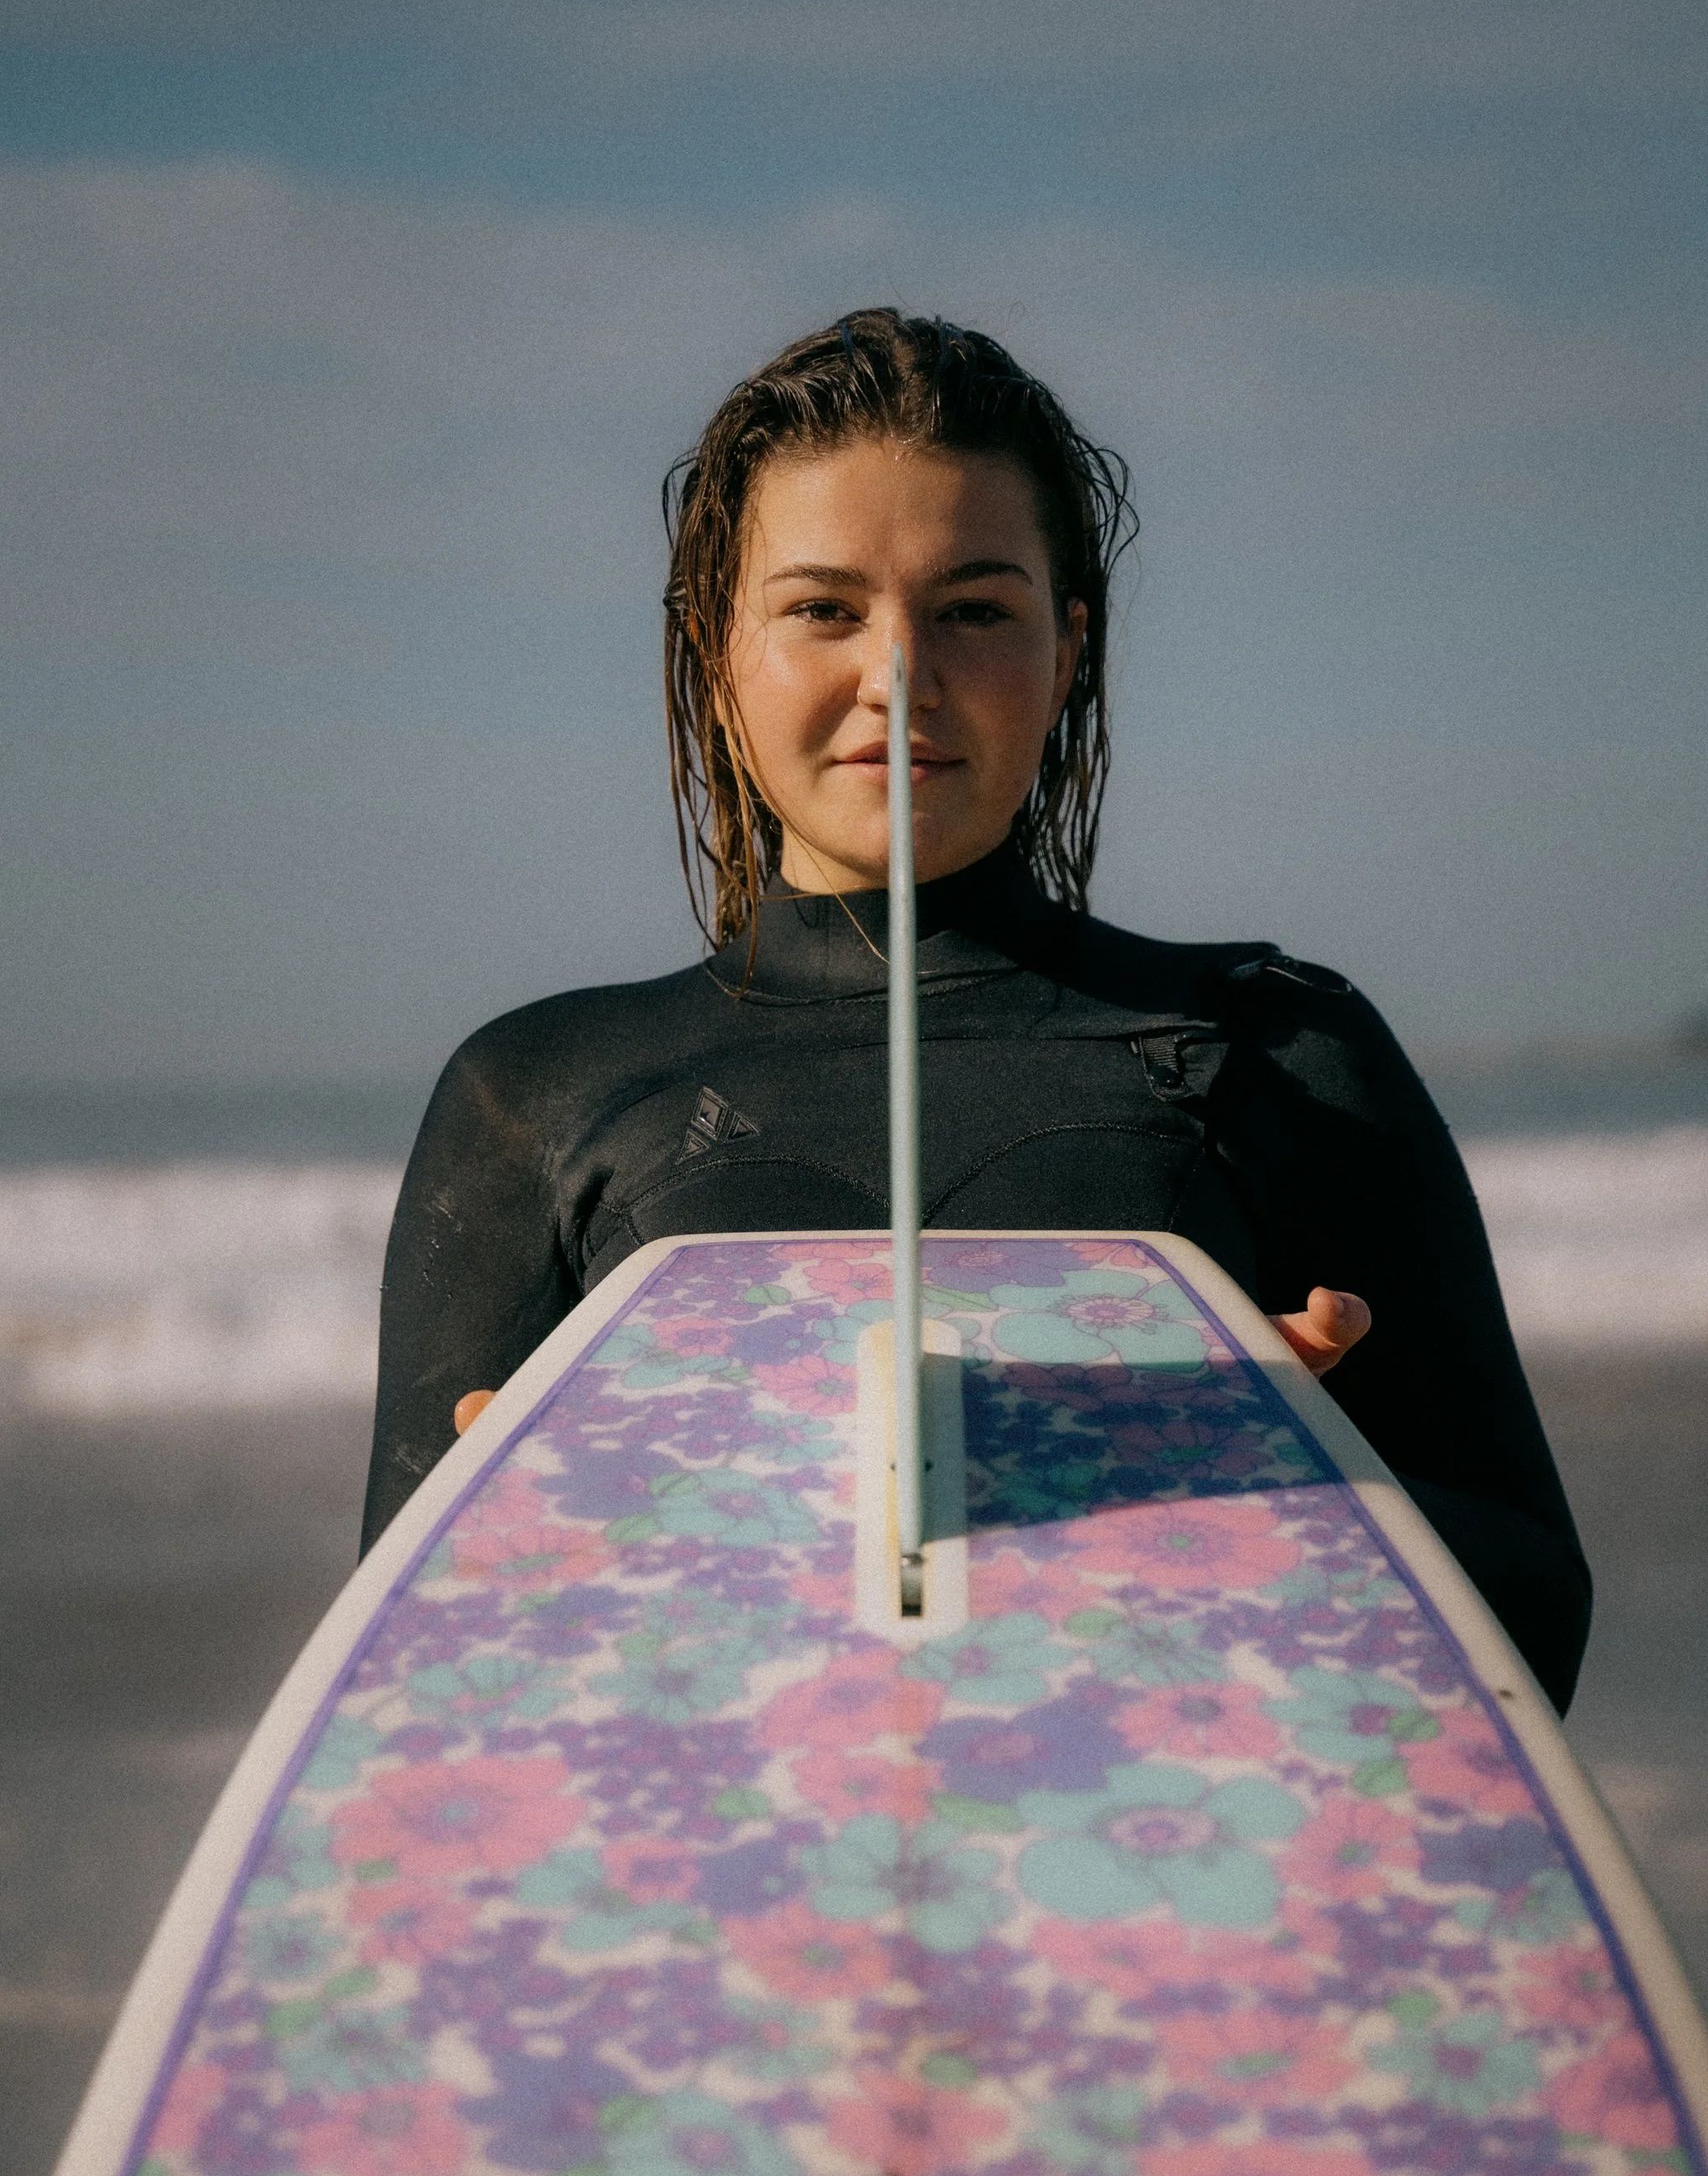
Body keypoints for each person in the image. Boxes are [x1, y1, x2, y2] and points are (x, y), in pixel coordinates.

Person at [364, 309, 1591, 1709]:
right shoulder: (533, 1093)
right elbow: (402, 1693)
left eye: (974, 610)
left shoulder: (1278, 1052)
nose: (899, 672)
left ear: (1065, 650)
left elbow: (1535, 1620)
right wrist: (569, 1529)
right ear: (719, 651)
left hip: (1161, 1884)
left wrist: (1248, 1479)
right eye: (824, 608)